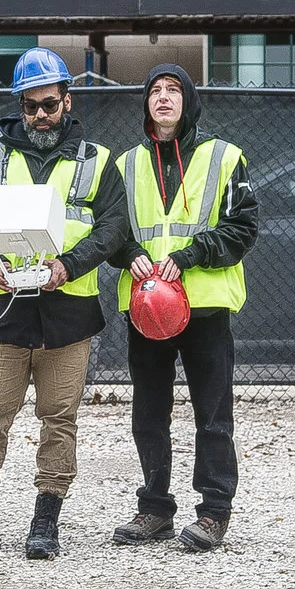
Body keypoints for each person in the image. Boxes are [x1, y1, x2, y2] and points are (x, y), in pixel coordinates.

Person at [0, 48, 128, 561]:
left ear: (67, 101)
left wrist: (68, 265)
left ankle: (46, 521)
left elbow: (114, 228)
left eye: (49, 104)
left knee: (58, 419)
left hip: (68, 316)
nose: (40, 115)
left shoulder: (97, 162)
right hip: (5, 313)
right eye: (31, 107)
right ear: (21, 106)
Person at [109, 65, 257, 553]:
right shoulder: (126, 165)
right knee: (149, 413)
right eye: (155, 91)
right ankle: (154, 509)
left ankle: (214, 512)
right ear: (146, 104)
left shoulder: (224, 158)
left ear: (188, 100)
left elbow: (243, 228)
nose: (164, 98)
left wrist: (191, 254)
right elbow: (108, 230)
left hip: (206, 309)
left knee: (212, 413)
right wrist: (128, 255)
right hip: (146, 307)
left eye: (174, 90)